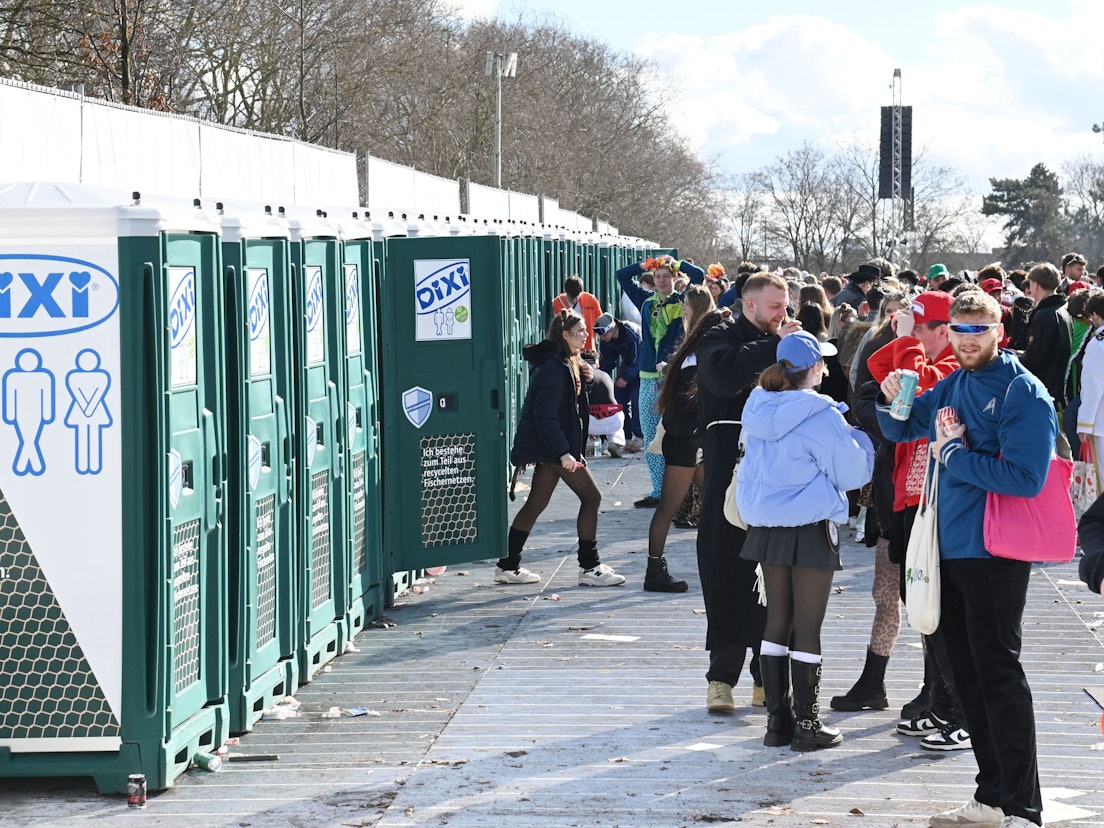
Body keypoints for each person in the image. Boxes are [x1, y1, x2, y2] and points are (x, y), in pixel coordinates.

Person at [877, 290, 1055, 828]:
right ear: (949, 332)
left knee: (998, 672)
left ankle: (1022, 804)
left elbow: (1028, 478)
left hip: (996, 552)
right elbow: (901, 429)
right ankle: (991, 796)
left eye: (980, 329)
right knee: (966, 677)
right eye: (961, 330)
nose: (969, 338)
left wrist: (954, 454)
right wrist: (896, 396)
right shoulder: (953, 383)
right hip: (948, 549)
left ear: (999, 330)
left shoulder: (1025, 392)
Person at [846, 292, 971, 751]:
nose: (910, 334)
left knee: (944, 613)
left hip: (940, 507)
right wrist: (903, 339)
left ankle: (961, 710)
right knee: (922, 606)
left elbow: (917, 384)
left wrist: (906, 343)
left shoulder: (955, 370)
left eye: (920, 328)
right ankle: (939, 703)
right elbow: (881, 374)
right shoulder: (921, 355)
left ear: (944, 332)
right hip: (908, 502)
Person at [737, 331, 874, 750]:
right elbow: (852, 474)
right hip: (810, 525)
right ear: (813, 368)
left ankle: (777, 723)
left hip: (766, 524)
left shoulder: (756, 404)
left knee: (777, 620)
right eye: (822, 363)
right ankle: (808, 725)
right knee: (809, 628)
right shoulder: (822, 414)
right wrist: (863, 441)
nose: (826, 369)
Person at [695, 271, 793, 714]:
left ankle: (765, 677)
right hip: (726, 471)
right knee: (723, 568)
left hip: (775, 474)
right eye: (775, 306)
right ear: (750, 305)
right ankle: (721, 678)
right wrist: (777, 347)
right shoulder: (718, 335)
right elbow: (719, 377)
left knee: (772, 574)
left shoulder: (788, 340)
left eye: (785, 305)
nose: (783, 314)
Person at [500, 310, 626, 588]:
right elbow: (544, 417)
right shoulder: (553, 370)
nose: (585, 336)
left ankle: (508, 565)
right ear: (565, 335)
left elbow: (570, 406)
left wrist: (588, 381)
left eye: (585, 332)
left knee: (536, 503)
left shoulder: (569, 362)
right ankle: (590, 567)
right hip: (556, 448)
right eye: (579, 332)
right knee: (592, 497)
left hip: (557, 447)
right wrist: (563, 453)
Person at [643, 285, 719, 593]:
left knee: (715, 504)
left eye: (686, 308)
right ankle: (654, 569)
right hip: (688, 443)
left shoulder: (691, 350)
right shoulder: (697, 355)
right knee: (669, 507)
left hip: (690, 442)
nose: (682, 311)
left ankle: (719, 563)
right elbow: (688, 412)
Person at [617, 254, 706, 508]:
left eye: (666, 276)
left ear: (674, 278)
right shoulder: (646, 301)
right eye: (658, 276)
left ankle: (681, 492)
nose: (662, 280)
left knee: (678, 434)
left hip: (674, 376)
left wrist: (676, 264)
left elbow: (698, 276)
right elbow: (622, 276)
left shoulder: (682, 300)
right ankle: (659, 491)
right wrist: (643, 266)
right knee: (650, 434)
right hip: (648, 377)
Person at [1018, 262, 1073, 424]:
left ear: (1035, 284)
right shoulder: (1063, 308)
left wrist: (1013, 358)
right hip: (1058, 388)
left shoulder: (1044, 315)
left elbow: (1035, 359)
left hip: (1044, 391)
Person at [595, 312, 643, 453]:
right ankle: (625, 436)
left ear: (612, 329)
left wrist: (626, 377)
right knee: (619, 401)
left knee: (636, 401)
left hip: (641, 366)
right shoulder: (607, 340)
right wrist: (599, 374)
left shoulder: (631, 333)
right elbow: (608, 360)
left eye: (603, 334)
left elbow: (638, 359)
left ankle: (639, 436)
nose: (602, 338)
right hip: (628, 364)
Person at [1076, 292, 1104, 490]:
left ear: (1095, 314)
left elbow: (1093, 387)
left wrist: (1084, 424)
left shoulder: (1097, 344)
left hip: (1100, 422)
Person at [552, 275, 603, 352]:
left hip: (588, 348)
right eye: (571, 297)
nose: (574, 300)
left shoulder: (591, 299)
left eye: (577, 296)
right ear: (565, 291)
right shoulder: (558, 302)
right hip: (568, 349)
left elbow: (600, 321)